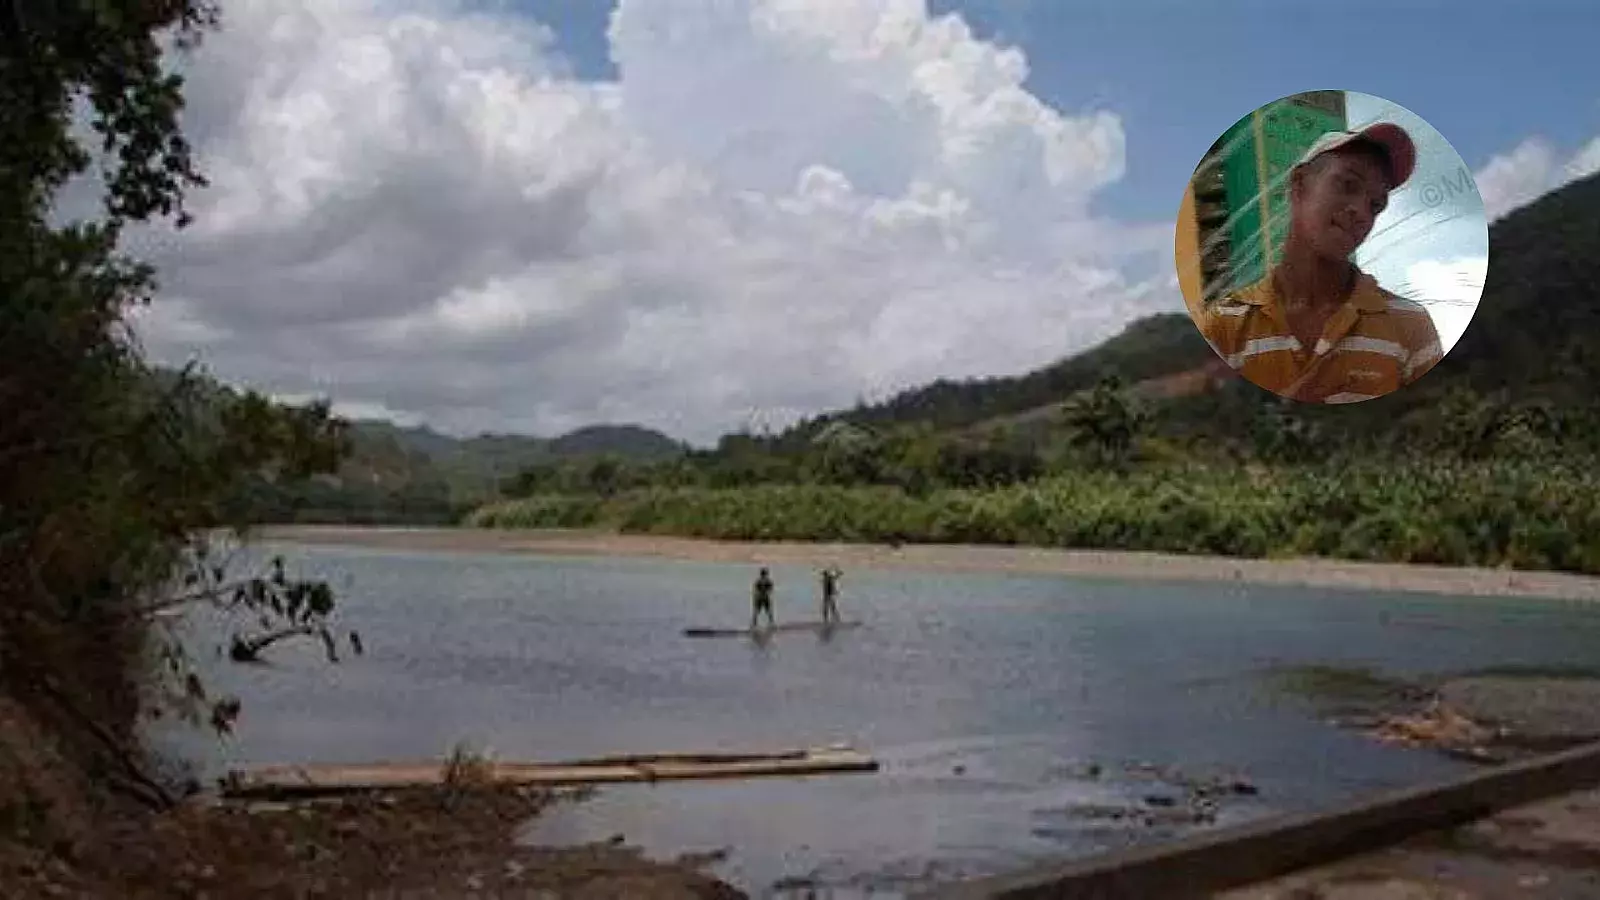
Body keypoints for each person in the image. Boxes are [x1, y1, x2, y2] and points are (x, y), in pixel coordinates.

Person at [1193, 121, 1444, 404]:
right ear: (1299, 185)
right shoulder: (1226, 324)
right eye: (1348, 185)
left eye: (1375, 205)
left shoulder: (1410, 327)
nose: (1361, 212)